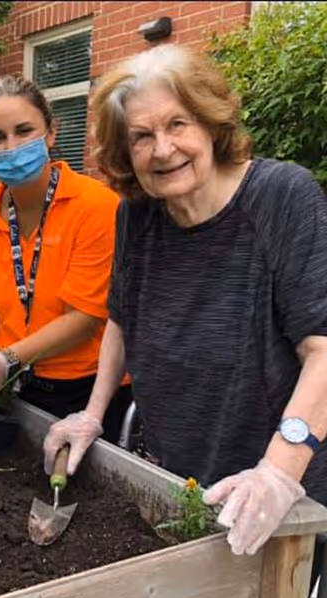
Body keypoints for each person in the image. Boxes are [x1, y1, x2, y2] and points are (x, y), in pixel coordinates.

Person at [43, 43, 327, 558]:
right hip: (179, 477)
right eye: (142, 136)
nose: (163, 149)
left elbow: (323, 351)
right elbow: (120, 321)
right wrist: (92, 413)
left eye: (178, 124)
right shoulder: (138, 214)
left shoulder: (282, 197)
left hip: (277, 490)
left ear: (211, 124)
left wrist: (278, 472)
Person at [0, 75, 131, 444]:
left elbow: (85, 318)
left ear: (51, 133)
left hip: (94, 393)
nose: (11, 146)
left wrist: (6, 358)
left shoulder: (97, 208)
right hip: (19, 387)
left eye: (24, 130)